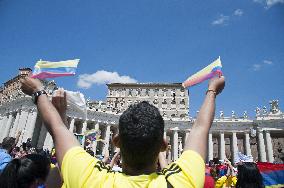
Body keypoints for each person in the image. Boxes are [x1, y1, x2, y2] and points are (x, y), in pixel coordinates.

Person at [20, 75, 225, 187]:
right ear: (164, 145)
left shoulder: (93, 180)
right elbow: (200, 127)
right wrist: (211, 91)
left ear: (116, 141)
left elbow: (57, 129)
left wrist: (38, 92)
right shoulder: (183, 180)